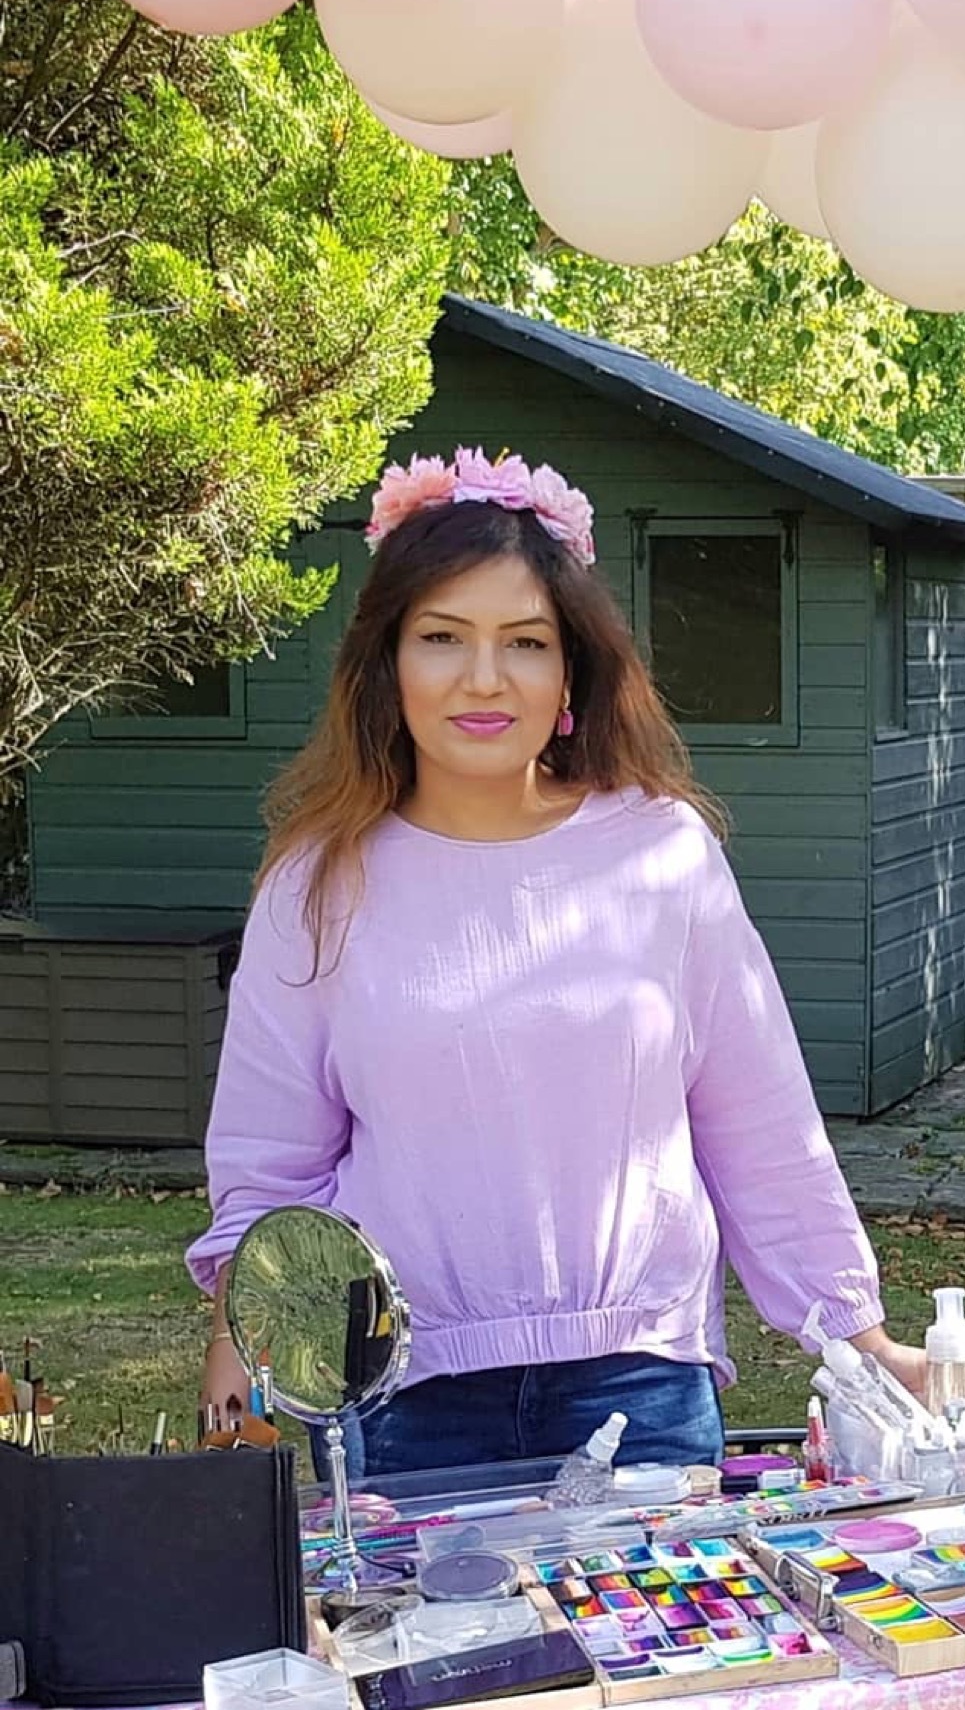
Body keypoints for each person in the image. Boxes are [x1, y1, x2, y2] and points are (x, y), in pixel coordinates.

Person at [188, 446, 924, 1476]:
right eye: (442, 636)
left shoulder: (663, 851)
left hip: (640, 1385)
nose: (484, 677)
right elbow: (272, 1162)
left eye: (524, 641)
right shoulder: (317, 882)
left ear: (571, 670)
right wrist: (242, 1333)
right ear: (387, 661)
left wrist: (855, 1328)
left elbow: (758, 1120)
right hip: (401, 1393)